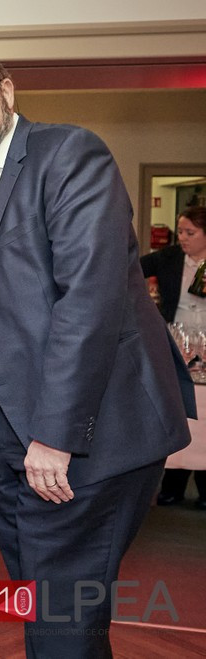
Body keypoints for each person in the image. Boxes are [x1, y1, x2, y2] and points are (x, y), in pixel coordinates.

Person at [0, 39, 194, 657]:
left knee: (62, 615)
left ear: (6, 90)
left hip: (81, 433)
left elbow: (89, 303)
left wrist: (55, 435)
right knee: (41, 601)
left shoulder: (68, 154)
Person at [141, 205, 206, 508]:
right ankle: (172, 485)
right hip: (176, 346)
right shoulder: (168, 257)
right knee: (179, 412)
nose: (182, 237)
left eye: (190, 232)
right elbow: (131, 269)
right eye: (180, 231)